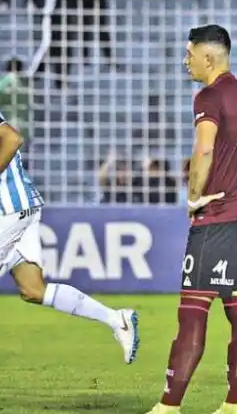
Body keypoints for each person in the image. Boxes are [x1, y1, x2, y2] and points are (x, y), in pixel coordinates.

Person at [145, 25, 237, 414]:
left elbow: (204, 148)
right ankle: (233, 405)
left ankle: (168, 407)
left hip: (217, 217)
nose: (185, 60)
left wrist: (194, 197)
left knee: (192, 312)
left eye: (189, 53)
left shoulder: (209, 96)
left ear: (207, 57)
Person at [0, 110, 139, 365]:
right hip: (22, 208)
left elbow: (11, 138)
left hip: (8, 209)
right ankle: (116, 319)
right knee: (33, 289)